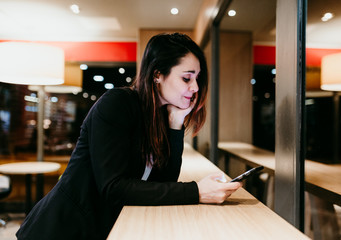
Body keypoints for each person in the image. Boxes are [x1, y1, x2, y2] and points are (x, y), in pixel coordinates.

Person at [16, 33, 241, 240]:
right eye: (187, 78)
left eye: (197, 79)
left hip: (102, 227)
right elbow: (113, 188)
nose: (195, 88)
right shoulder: (117, 103)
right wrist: (197, 191)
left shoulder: (161, 116)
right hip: (64, 229)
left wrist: (175, 123)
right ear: (158, 75)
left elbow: (165, 182)